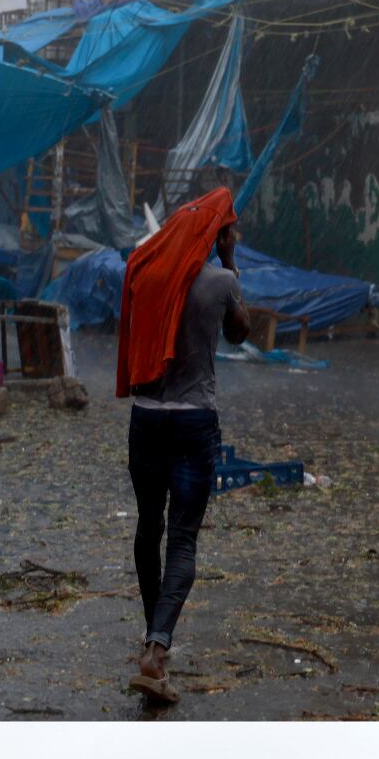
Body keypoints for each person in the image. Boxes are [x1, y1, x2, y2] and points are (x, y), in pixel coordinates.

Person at [114, 186, 250, 705]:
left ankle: (155, 650)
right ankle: (155, 648)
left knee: (149, 529)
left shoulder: (144, 272)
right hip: (194, 425)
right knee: (184, 539)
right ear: (215, 235)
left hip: (145, 422)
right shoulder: (219, 281)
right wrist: (230, 257)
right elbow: (241, 332)